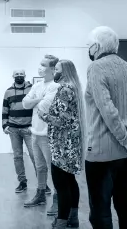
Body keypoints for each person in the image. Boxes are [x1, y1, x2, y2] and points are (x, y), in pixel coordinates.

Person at [81, 26, 127, 229]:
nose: (88, 48)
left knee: (100, 210)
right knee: (125, 203)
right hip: (126, 155)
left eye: (88, 45)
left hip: (101, 153)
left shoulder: (96, 67)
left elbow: (107, 109)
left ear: (96, 46)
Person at [36, 59, 84, 228]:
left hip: (62, 144)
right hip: (70, 143)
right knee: (70, 181)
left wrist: (43, 115)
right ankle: (73, 217)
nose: (54, 71)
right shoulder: (74, 88)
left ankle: (62, 221)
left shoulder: (64, 89)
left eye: (56, 69)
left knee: (61, 183)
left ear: (64, 72)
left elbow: (61, 121)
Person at [19, 56, 61, 213]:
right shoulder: (37, 85)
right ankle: (41, 194)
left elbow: (44, 106)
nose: (40, 67)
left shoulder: (55, 86)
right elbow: (25, 103)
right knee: (40, 167)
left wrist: (35, 101)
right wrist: (38, 99)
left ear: (52, 69)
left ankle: (58, 199)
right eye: (40, 64)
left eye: (43, 65)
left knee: (53, 168)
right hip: (35, 132)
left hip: (48, 134)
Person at [2, 70, 39, 195]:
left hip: (28, 128)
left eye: (21, 74)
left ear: (25, 76)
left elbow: (37, 108)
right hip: (13, 129)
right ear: (13, 76)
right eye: (16, 74)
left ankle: (42, 183)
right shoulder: (8, 91)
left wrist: (35, 125)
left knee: (35, 156)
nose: (19, 76)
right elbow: (5, 110)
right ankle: (22, 182)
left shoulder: (32, 89)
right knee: (18, 156)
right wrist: (4, 125)